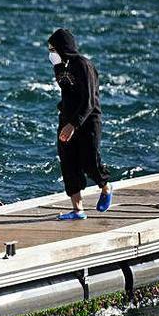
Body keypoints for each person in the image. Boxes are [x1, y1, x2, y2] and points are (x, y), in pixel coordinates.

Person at [48, 28, 112, 220]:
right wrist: (66, 120)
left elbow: (89, 101)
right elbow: (67, 93)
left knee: (90, 161)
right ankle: (78, 210)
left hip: (88, 120)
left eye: (53, 49)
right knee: (68, 162)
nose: (51, 53)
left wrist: (74, 124)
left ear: (63, 48)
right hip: (67, 119)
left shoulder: (84, 65)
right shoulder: (60, 67)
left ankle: (106, 187)